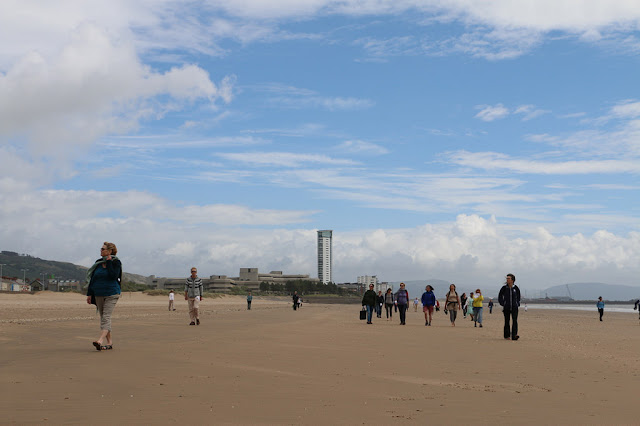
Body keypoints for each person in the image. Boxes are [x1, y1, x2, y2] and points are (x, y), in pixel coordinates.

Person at [86, 241, 122, 351]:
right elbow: (93, 279)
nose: (100, 251)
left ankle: (100, 340)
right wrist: (89, 294)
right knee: (103, 318)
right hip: (98, 293)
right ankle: (109, 343)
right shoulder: (98, 262)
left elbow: (113, 276)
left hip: (112, 293)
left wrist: (109, 262)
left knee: (106, 317)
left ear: (110, 251)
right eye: (101, 249)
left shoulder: (116, 262)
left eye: (103, 249)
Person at [498, 273, 521, 340]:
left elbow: (518, 296)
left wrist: (517, 303)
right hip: (506, 307)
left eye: (508, 278)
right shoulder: (504, 288)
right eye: (507, 278)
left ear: (512, 280)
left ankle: (514, 335)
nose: (507, 280)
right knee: (507, 321)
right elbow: (500, 296)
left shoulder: (516, 288)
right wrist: (503, 303)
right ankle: (506, 335)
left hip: (514, 307)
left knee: (515, 321)